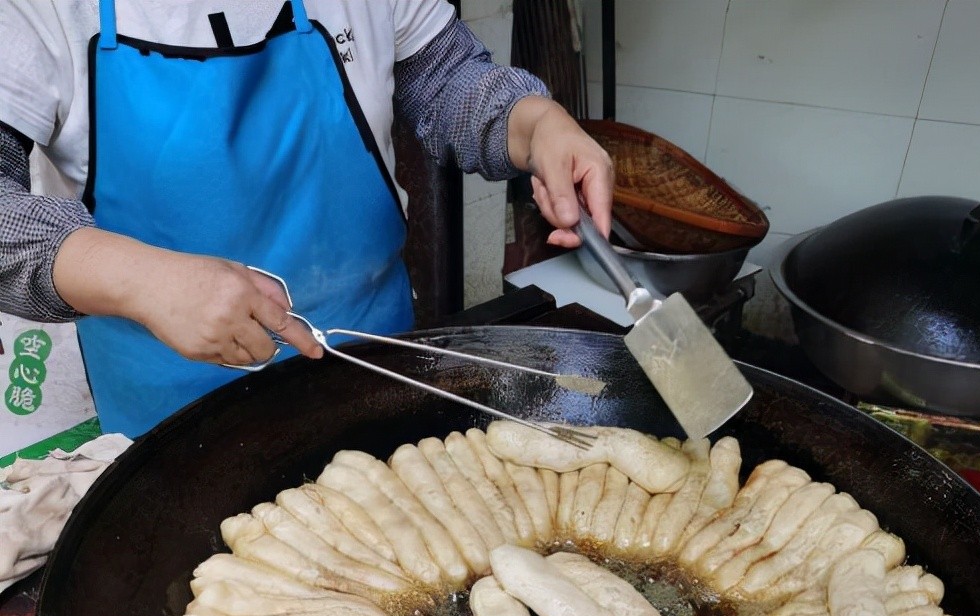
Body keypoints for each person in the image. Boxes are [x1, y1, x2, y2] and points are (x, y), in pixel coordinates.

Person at [0, 0, 613, 437]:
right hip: (171, 418)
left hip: (373, 363)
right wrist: (143, 280)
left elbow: (449, 78)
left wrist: (536, 123)